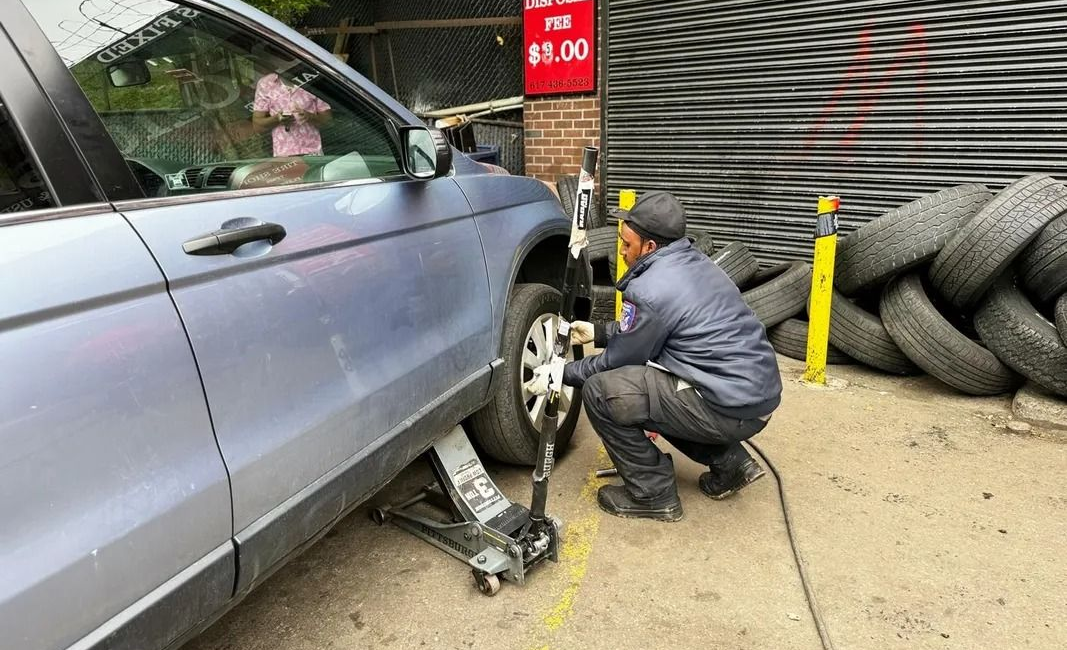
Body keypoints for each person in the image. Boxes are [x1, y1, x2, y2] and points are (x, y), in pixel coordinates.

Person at [526, 191, 782, 522]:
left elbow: (615, 363)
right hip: (754, 398)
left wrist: (561, 373)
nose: (621, 250)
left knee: (605, 392)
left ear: (649, 247)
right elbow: (657, 327)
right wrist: (600, 332)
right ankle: (731, 465)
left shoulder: (650, 289)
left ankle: (653, 494)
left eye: (627, 244)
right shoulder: (697, 263)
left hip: (726, 406)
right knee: (659, 393)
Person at [252, 70, 332, 156]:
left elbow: (329, 121)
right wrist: (277, 119)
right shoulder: (266, 83)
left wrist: (308, 116)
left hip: (312, 152)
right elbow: (257, 125)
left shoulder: (311, 76)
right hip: (284, 155)